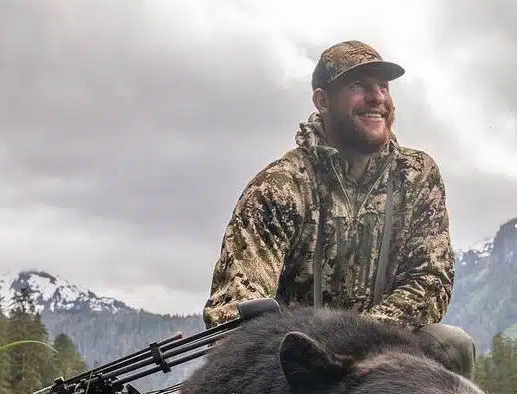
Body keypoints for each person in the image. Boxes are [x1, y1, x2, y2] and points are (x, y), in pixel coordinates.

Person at [201, 39, 477, 377]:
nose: (377, 97)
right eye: (359, 85)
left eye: (383, 86)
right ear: (322, 100)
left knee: (452, 345)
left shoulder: (417, 175)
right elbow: (234, 310)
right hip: (296, 365)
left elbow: (430, 279)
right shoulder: (280, 187)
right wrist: (312, 356)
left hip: (382, 349)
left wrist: (360, 341)